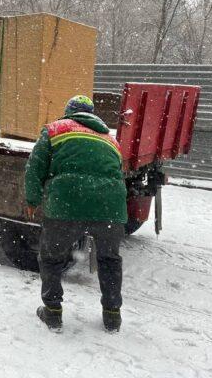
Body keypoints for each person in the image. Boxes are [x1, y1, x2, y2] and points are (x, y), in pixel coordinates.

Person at [24, 94, 127, 332]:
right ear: (92, 115)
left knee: (51, 258)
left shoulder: (54, 129)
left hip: (67, 203)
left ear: (69, 111)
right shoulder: (111, 140)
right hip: (110, 207)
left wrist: (32, 199)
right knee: (109, 260)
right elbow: (117, 172)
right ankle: (112, 316)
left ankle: (52, 312)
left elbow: (34, 167)